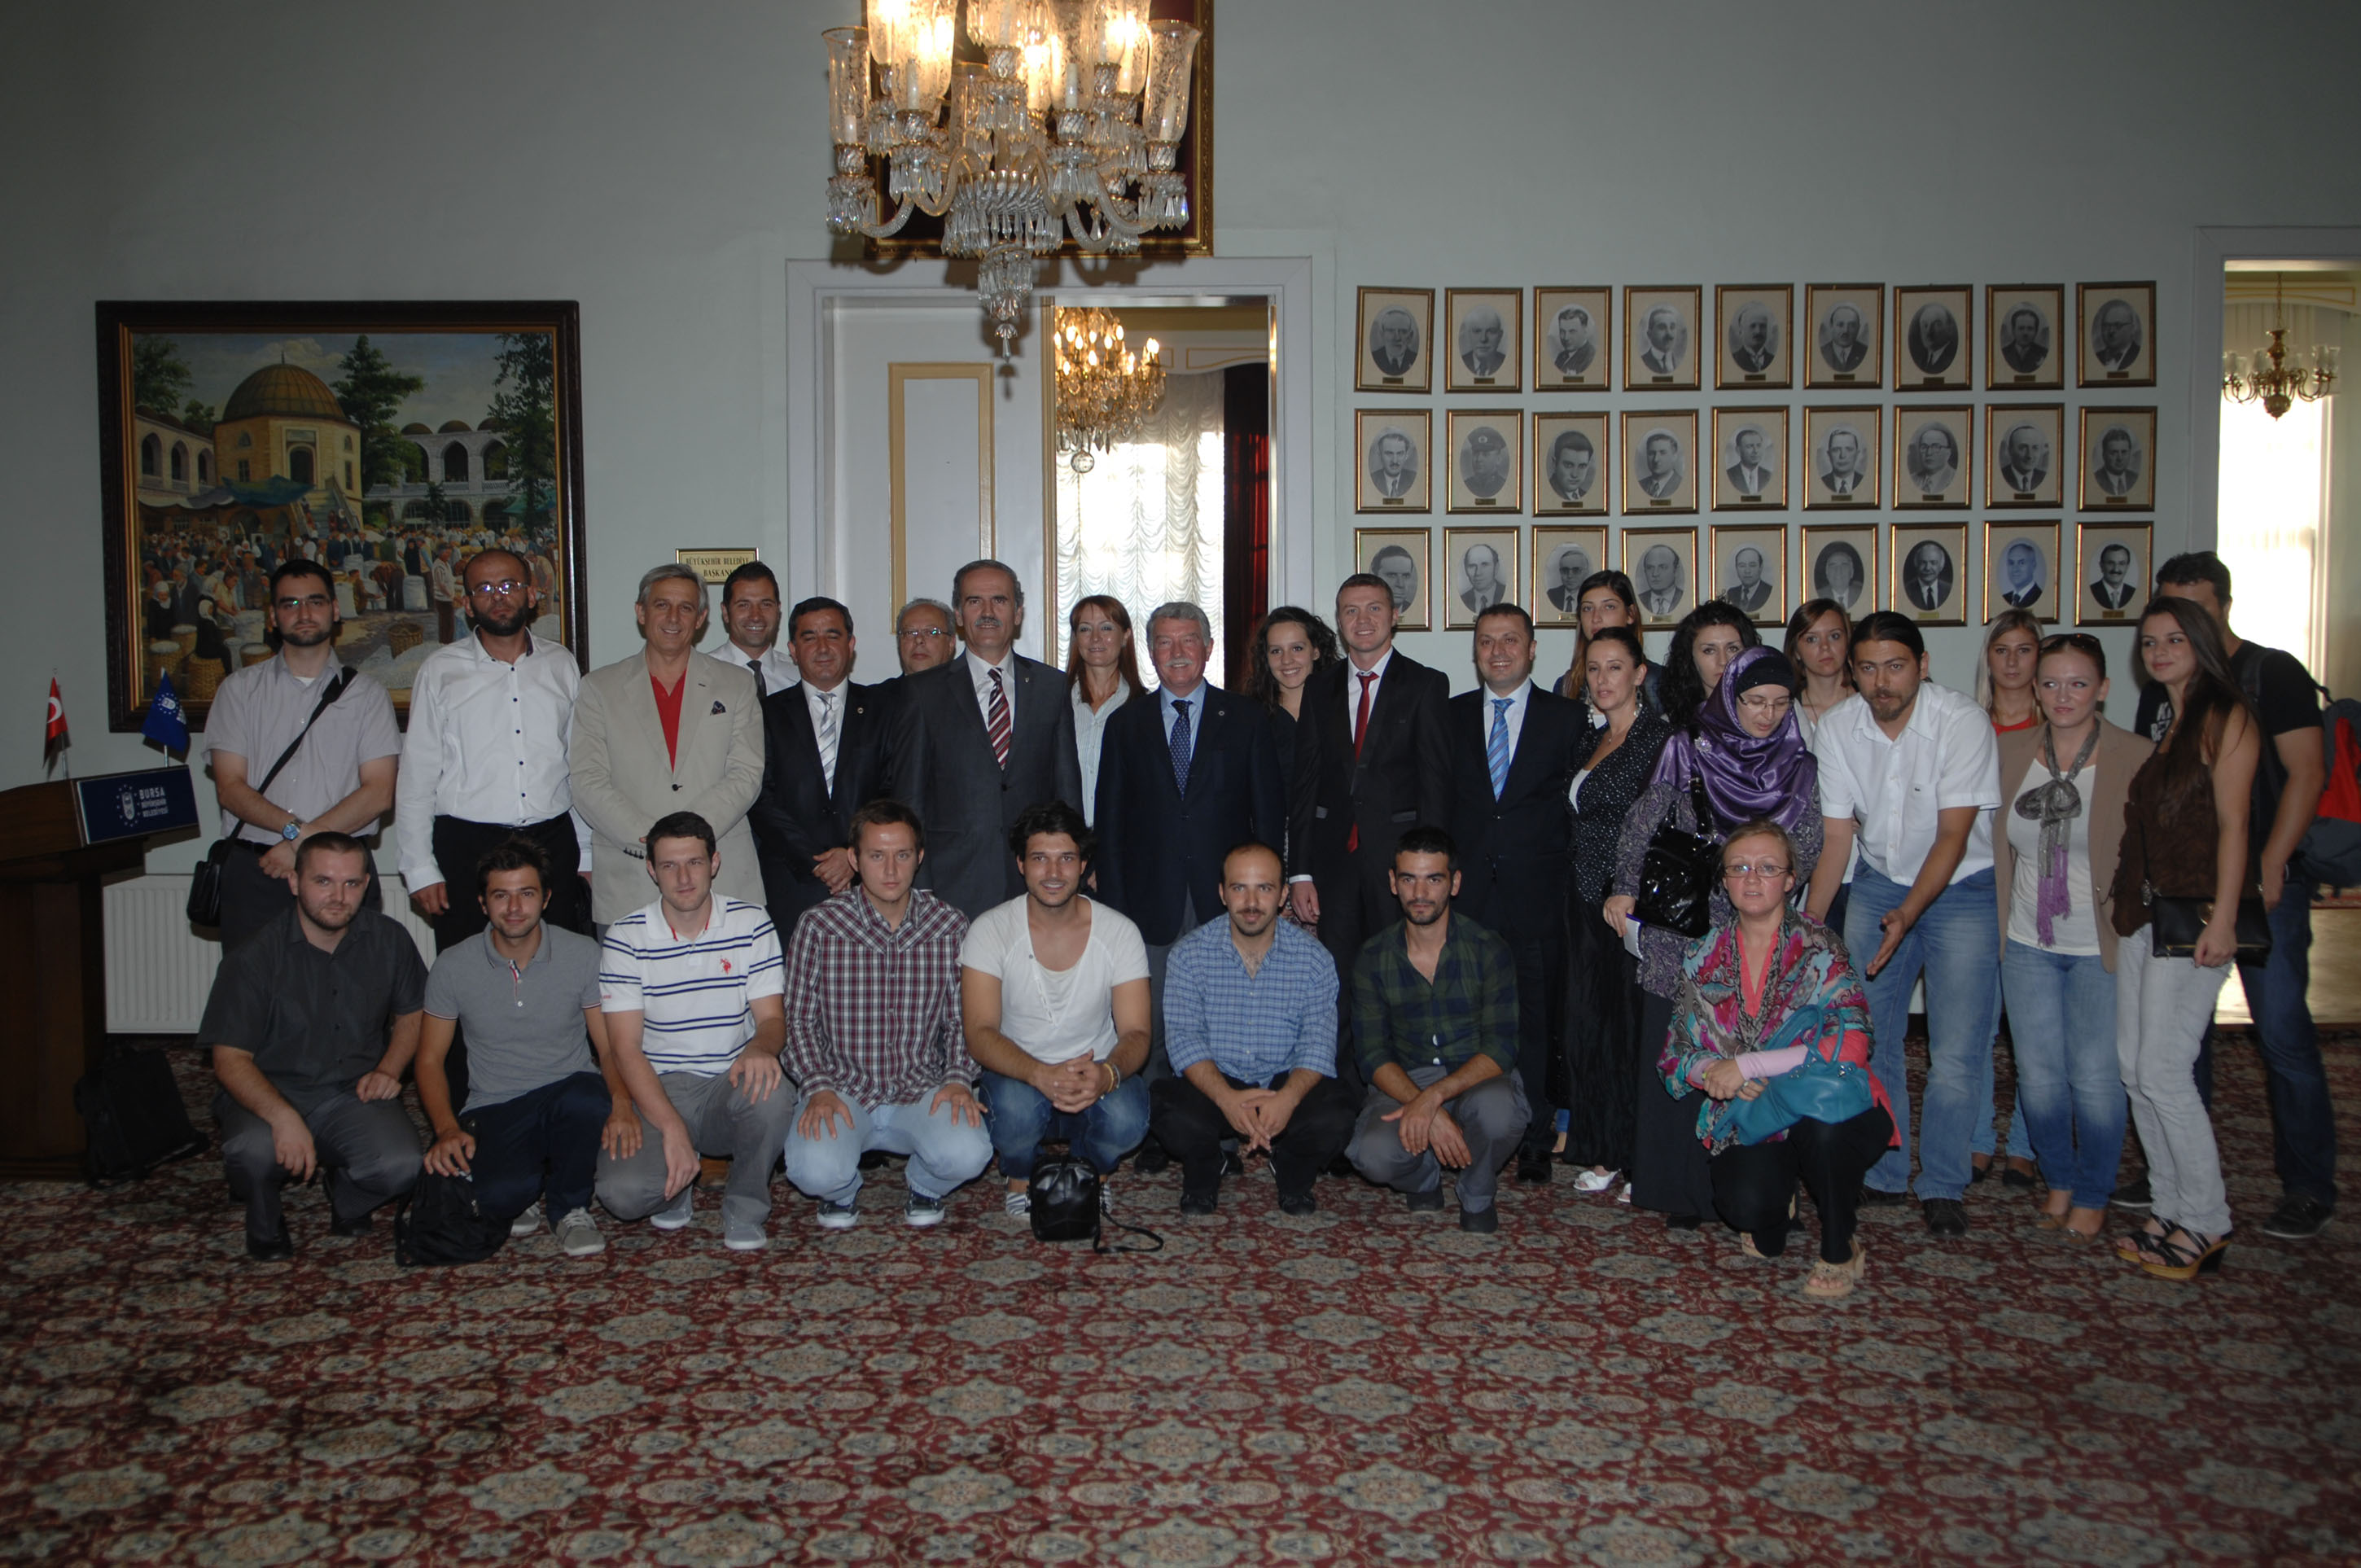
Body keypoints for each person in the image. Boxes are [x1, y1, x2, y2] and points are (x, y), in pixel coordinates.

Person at [2138, 553, 2333, 1241]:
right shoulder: (2164, 697)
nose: (2166, 643)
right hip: (2176, 899)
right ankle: (2178, 1188)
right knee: (2169, 1057)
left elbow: (2299, 778)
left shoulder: (2261, 682)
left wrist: (2268, 870)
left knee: (2280, 1036)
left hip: (2252, 887)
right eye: (2155, 633)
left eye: (2186, 622)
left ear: (2219, 609)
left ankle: (2299, 1187)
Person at [1609, 646, 1820, 1229]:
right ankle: (1681, 1190)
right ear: (1731, 698)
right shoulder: (1688, 747)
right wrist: (1624, 888)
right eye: (1755, 701)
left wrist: (1769, 893)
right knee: (1682, 1049)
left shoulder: (1799, 764)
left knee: (1751, 1053)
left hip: (1756, 926)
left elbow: (1807, 844)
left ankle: (1756, 1185)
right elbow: (1642, 822)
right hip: (1685, 926)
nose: (1767, 715)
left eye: (1780, 703)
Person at [1805, 613, 2003, 1236]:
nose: (1881, 682)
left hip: (1962, 890)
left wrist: (1909, 914)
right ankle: (1887, 1172)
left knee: (1956, 1051)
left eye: (1895, 667)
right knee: (1870, 1038)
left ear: (1923, 665)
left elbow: (1953, 835)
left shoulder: (1962, 722)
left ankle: (1943, 1182)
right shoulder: (1839, 728)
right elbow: (1838, 839)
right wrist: (1806, 928)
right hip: (1879, 882)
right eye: (1867, 668)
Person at [1663, 821, 1895, 1297]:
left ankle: (1839, 1248)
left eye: (1768, 868)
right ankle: (1780, 1198)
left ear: (1791, 880)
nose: (1752, 878)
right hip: (1752, 1116)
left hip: (1826, 1105)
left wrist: (1749, 1066)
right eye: (1739, 868)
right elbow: (1676, 1056)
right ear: (1724, 880)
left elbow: (1853, 1041)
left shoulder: (1820, 946)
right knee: (1749, 1212)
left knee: (1825, 1133)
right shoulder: (1702, 955)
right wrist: (1714, 1073)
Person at [1094, 600, 1286, 1172]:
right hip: (1148, 901)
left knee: (1219, 1022)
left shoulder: (1246, 719)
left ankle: (1221, 1135)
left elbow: (1267, 816)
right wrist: (1115, 908)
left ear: (1208, 648)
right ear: (1150, 652)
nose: (1177, 653)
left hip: (1224, 901)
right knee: (1150, 1024)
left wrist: (1263, 897)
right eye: (1164, 642)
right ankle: (1159, 1131)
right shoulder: (1126, 724)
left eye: (1188, 641)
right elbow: (1110, 822)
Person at [2111, 598, 2260, 1278]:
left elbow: (2234, 825)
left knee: (2166, 1071)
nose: (2160, 652)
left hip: (2195, 919)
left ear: (2202, 641)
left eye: (2174, 639)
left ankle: (2207, 1219)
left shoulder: (2226, 717)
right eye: (2149, 642)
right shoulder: (2171, 721)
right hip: (2148, 917)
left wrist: (2224, 917)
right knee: (2135, 1069)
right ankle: (2169, 1207)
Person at [199, 832, 424, 1259]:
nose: (338, 897)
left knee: (401, 1166)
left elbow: (413, 1012)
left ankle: (347, 1193)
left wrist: (390, 1069)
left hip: (351, 1093)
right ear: (294, 882)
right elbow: (229, 1059)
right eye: (323, 882)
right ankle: (264, 1214)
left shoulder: (389, 939)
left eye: (351, 883)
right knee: (253, 1153)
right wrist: (282, 1116)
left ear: (366, 885)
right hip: (269, 1093)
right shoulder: (253, 957)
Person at [779, 799, 992, 1229]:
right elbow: (798, 1020)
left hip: (921, 1087)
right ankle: (840, 1191)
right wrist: (817, 1087)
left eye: (903, 855)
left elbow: (962, 1019)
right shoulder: (819, 926)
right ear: (854, 859)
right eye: (877, 856)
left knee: (970, 1153)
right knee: (813, 1169)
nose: (891, 870)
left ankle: (925, 1184)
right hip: (841, 1089)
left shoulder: (949, 925)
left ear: (920, 857)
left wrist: (958, 1078)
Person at [1996, 635, 2147, 1241]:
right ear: (2036, 689)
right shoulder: (2010, 753)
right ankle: (2058, 1178)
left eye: (2078, 683)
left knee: (2095, 1078)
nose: (2063, 696)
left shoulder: (2135, 756)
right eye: (2052, 683)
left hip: (2100, 947)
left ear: (2102, 689)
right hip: (2027, 943)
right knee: (2037, 1077)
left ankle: (2093, 1190)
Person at [594, 811, 795, 1251]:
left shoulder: (751, 922)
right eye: (669, 865)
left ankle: (745, 1207)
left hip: (729, 1082)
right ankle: (677, 1180)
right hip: (659, 1087)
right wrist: (672, 1129)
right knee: (623, 1195)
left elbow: (772, 1022)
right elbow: (625, 1049)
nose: (683, 878)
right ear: (652, 870)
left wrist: (760, 1049)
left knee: (774, 1093)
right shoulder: (625, 938)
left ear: (715, 863)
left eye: (695, 863)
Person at [415, 836, 620, 1259]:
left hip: (567, 1090)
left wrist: (622, 1104)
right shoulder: (452, 965)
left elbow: (609, 1048)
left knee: (589, 1098)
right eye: (500, 895)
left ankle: (570, 1207)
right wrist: (446, 1129)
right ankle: (525, 1184)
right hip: (495, 1103)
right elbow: (430, 1059)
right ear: (482, 903)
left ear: (546, 898)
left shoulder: (582, 954)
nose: (514, 908)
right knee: (500, 1197)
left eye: (526, 894)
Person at [398, 547, 592, 967]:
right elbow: (417, 776)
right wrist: (419, 868)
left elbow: (575, 766)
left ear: (531, 594)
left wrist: (586, 853)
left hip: (551, 842)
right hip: (466, 845)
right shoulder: (440, 670)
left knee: (557, 970)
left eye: (508, 585)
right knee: (468, 972)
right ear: (467, 603)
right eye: (483, 589)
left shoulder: (561, 664)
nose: (498, 597)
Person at [961, 801, 1152, 1215]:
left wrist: (1107, 1074)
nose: (1053, 872)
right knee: (1013, 1115)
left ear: (1083, 865)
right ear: (1020, 864)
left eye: (1066, 858)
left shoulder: (1120, 931)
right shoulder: (989, 929)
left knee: (1128, 1118)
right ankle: (1019, 1175)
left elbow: (1138, 1033)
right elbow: (978, 1032)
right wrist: (1039, 1073)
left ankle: (1094, 1173)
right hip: (1020, 1074)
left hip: (1096, 1070)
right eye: (1039, 859)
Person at [204, 558, 402, 951]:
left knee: (350, 986)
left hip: (343, 874)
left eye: (315, 601)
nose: (304, 613)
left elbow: (379, 793)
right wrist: (297, 833)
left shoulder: (368, 696)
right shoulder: (238, 690)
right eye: (290, 604)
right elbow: (230, 788)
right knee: (253, 988)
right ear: (273, 617)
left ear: (335, 609)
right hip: (259, 870)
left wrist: (298, 844)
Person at [1150, 842, 1356, 1215]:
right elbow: (1184, 1040)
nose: (1251, 902)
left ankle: (1291, 1164)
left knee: (1337, 1114)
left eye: (1264, 888)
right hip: (1218, 1081)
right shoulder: (1189, 954)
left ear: (1283, 895)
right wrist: (1226, 1099)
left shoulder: (1314, 959)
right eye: (1239, 888)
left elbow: (1318, 1045)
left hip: (1282, 1081)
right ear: (1222, 893)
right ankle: (1208, 1163)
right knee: (1167, 1109)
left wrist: (1287, 1099)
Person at [1448, 605, 1580, 1184]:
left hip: (1539, 896)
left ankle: (1535, 1136)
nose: (1497, 651)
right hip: (1469, 896)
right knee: (1468, 1015)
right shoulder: (1450, 715)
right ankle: (1466, 1125)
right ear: (1474, 651)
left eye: (1509, 640)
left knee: (1537, 1020)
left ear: (1532, 649)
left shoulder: (1569, 719)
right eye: (1486, 641)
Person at [1347, 826, 1531, 1233]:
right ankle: (1424, 1179)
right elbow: (1372, 1056)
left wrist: (1432, 1100)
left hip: (1475, 1078)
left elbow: (1501, 1048)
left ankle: (1477, 1191)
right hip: (1405, 1078)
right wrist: (1421, 1104)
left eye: (1433, 879)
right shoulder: (1373, 957)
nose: (1420, 893)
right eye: (1408, 879)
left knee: (1500, 1113)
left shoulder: (1489, 949)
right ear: (1393, 883)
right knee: (1372, 1154)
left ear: (1455, 883)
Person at [1286, 574, 1453, 1014]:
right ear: (1339, 621)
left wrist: (1431, 870)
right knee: (1338, 987)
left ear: (1394, 616)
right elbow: (1305, 783)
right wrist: (1299, 872)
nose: (1362, 620)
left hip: (1400, 867)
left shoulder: (1426, 685)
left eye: (1374, 608)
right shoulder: (1318, 688)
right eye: (1351, 611)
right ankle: (1342, 1064)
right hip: (1333, 867)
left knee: (1402, 982)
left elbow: (1435, 784)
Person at [570, 564, 766, 929]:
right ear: (641, 612)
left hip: (723, 878)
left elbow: (747, 774)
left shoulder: (737, 684)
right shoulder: (599, 688)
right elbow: (587, 780)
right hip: (631, 876)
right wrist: (655, 841)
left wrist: (690, 839)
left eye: (686, 608)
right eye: (662, 605)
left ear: (701, 618)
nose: (673, 618)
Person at [889, 559, 1084, 919]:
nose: (988, 612)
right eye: (975, 601)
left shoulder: (1051, 687)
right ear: (959, 615)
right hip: (950, 887)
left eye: (1000, 600)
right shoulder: (923, 693)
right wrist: (920, 885)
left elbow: (1066, 793)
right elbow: (909, 802)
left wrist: (1071, 874)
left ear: (1018, 612)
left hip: (1036, 883)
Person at [1560, 626, 1670, 1195]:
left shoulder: (1661, 741)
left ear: (1640, 674)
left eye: (1616, 667)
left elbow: (1664, 827)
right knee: (1591, 1026)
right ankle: (1604, 1150)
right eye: (1595, 668)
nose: (1603, 679)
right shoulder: (1590, 737)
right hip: (1583, 900)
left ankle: (1641, 1158)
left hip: (1632, 905)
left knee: (1632, 1031)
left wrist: (1631, 892)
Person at [747, 596, 894, 935]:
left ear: (851, 644)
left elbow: (892, 789)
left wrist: (852, 853)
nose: (823, 648)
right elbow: (759, 795)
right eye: (809, 637)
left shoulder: (884, 710)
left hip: (869, 880)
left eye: (833, 635)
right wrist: (817, 862)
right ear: (793, 650)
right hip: (791, 882)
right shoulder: (765, 713)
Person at [1974, 608, 2044, 1187]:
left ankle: (2025, 1142)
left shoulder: (2060, 728)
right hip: (1977, 887)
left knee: (2033, 1033)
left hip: (2038, 893)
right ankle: (1977, 1138)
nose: (2013, 662)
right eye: (2003, 650)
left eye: (2025, 650)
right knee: (1974, 1026)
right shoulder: (1969, 725)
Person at [1245, 606, 1340, 801]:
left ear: (1316, 651)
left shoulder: (1344, 709)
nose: (1286, 660)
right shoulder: (1249, 718)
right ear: (1265, 657)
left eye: (1297, 648)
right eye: (1276, 651)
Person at [1067, 594, 1142, 826]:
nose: (1095, 638)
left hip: (1124, 837)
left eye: (1106, 628)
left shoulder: (1145, 709)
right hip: (1066, 839)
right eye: (1085, 629)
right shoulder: (1056, 704)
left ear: (1125, 636)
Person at [1660, 601, 1759, 730]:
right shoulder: (1670, 727)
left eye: (1733, 649)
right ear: (1689, 657)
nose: (1723, 661)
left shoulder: (1771, 714)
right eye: (1709, 651)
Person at [716, 560, 799, 697]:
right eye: (744, 605)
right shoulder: (701, 674)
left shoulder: (799, 676)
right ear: (725, 612)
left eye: (765, 604)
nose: (755, 616)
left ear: (778, 610)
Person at [1785, 599, 1854, 746]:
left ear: (1848, 642)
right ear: (1796, 651)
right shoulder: (1785, 711)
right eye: (1812, 639)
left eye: (1835, 636)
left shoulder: (1869, 703)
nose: (1825, 647)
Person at [893, 598, 957, 677]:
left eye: (931, 632)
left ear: (951, 643)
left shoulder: (968, 685)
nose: (918, 639)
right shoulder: (882, 686)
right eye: (910, 632)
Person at [1811, 543, 1867, 612]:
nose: (1838, 571)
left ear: (1852, 572)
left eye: (1844, 565)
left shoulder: (1862, 595)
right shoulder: (1818, 598)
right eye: (1833, 566)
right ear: (1827, 572)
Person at [1545, 430, 1596, 505]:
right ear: (1554, 464)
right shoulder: (1545, 494)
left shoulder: (1586, 495)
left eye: (1582, 466)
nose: (1575, 475)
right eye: (1568, 465)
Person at [1907, 303, 1959, 374]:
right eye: (1925, 325)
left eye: (1936, 325)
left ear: (1949, 329)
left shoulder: (1952, 357)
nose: (1929, 332)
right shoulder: (1923, 361)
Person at [1906, 424, 1960, 494]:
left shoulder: (1956, 479)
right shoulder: (1912, 479)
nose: (1929, 453)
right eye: (1924, 447)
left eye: (1936, 447)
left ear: (1948, 453)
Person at [2092, 300, 2143, 374]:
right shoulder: (2097, 357)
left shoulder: (2140, 356)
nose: (2111, 331)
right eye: (2106, 326)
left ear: (2132, 329)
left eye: (2118, 325)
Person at [1637, 545, 1686, 620]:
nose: (1655, 574)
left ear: (1675, 570)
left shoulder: (1684, 599)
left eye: (1662, 567)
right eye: (1650, 568)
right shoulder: (1638, 601)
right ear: (1645, 571)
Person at [1459, 427, 1510, 498]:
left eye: (1486, 454)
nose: (1478, 459)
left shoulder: (1504, 487)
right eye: (1476, 453)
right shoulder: (1467, 485)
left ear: (1498, 459)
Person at [1902, 542, 1954, 613]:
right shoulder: (1907, 590)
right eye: (1923, 562)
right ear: (1916, 564)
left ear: (1941, 566)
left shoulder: (1949, 589)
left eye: (1933, 563)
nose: (1928, 568)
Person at [1369, 427, 1419, 499]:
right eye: (1389, 454)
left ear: (1406, 455)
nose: (1395, 461)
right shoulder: (1372, 480)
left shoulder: (1414, 479)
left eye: (1400, 453)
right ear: (1380, 455)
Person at [1819, 427, 1869, 497]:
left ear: (1857, 454)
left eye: (1849, 449)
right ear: (1829, 455)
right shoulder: (1821, 483)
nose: (1842, 455)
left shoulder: (1866, 483)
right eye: (1836, 450)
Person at [1999, 425, 2049, 494]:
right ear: (2010, 450)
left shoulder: (2042, 477)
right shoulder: (2001, 477)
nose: (2030, 455)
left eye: (2035, 448)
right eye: (2023, 448)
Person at [1728, 303, 1777, 374]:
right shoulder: (1734, 360)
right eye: (1753, 326)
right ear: (1741, 331)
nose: (1758, 331)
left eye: (1763, 326)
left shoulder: (1773, 359)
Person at [1369, 308, 1419, 378]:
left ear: (1410, 336)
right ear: (1382, 334)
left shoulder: (1416, 359)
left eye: (1403, 331)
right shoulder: (1374, 358)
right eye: (1391, 331)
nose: (1397, 338)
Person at [1458, 306, 1507, 378]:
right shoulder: (1459, 363)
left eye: (1491, 331)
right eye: (1477, 331)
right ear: (1469, 335)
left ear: (1500, 336)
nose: (1483, 339)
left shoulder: (1507, 364)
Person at [1725, 427, 1773, 498]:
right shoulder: (1729, 476)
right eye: (1749, 446)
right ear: (1738, 450)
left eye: (1758, 446)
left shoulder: (1768, 476)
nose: (1755, 451)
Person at [1459, 542, 1508, 612]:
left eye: (1484, 565)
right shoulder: (1464, 598)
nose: (1478, 573)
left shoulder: (1504, 594)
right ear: (1466, 570)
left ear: (1496, 568)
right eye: (1472, 566)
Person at [1819, 304, 1868, 373]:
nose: (1845, 331)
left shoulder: (1865, 352)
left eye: (1852, 325)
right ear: (1831, 326)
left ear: (1858, 328)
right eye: (1840, 325)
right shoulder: (1823, 352)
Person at [2089, 544, 2139, 611]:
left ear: (2127, 567)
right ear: (2101, 566)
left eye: (2121, 564)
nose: (2116, 569)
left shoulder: (2134, 593)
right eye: (2110, 563)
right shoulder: (2091, 592)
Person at [2093, 427, 2140, 497]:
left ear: (2130, 453)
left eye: (2124, 452)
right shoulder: (2096, 480)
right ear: (2104, 455)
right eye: (2114, 452)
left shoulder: (2135, 478)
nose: (2120, 458)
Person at [2001, 305, 2049, 374]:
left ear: (2036, 331)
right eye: (2021, 328)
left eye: (2030, 328)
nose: (2025, 333)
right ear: (2013, 331)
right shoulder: (2005, 352)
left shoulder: (2043, 353)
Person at [1999, 540, 2047, 609]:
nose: (2015, 569)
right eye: (2011, 563)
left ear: (2033, 565)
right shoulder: (2006, 598)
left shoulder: (2039, 596)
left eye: (2022, 563)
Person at [1725, 547, 1772, 615]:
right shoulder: (1731, 593)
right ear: (1736, 568)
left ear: (1760, 567)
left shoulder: (1768, 591)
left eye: (1752, 565)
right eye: (1742, 566)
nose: (1747, 571)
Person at [1637, 431, 1684, 501]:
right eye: (1651, 453)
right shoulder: (1640, 485)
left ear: (1674, 456)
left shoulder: (1681, 485)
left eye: (1663, 453)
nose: (1656, 459)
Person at [1550, 306, 1596, 375]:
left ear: (1585, 331)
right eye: (1562, 331)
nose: (1566, 337)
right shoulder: (1561, 356)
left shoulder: (1590, 357)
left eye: (1572, 331)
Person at [1544, 546, 1592, 611]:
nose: (1570, 576)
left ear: (1586, 572)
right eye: (1565, 570)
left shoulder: (1591, 595)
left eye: (1576, 570)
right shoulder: (1552, 594)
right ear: (1560, 572)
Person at [1639, 306, 1682, 375]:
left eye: (1672, 327)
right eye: (1662, 327)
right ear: (1649, 334)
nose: (1669, 334)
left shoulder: (1679, 361)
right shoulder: (1643, 361)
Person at [431, 545, 460, 644]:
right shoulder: (438, 566)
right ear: (441, 553)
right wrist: (454, 597)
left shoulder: (446, 564)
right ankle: (445, 643)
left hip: (447, 599)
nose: (449, 555)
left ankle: (447, 642)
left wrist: (460, 582)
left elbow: (450, 579)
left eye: (449, 553)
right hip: (442, 599)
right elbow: (441, 586)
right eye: (447, 553)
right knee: (446, 624)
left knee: (449, 623)